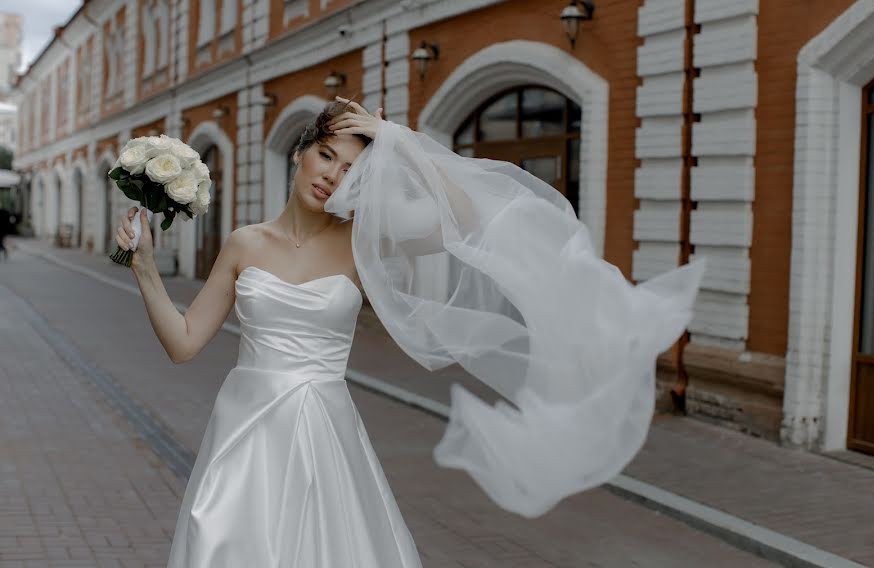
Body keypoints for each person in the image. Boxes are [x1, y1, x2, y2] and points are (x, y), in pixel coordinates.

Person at [118, 97, 705, 566]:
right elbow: (185, 343)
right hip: (243, 432)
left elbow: (468, 216)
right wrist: (145, 267)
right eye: (327, 155)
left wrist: (393, 138)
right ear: (301, 152)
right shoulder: (245, 243)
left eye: (350, 170)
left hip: (325, 429)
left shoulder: (362, 244)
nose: (332, 176)